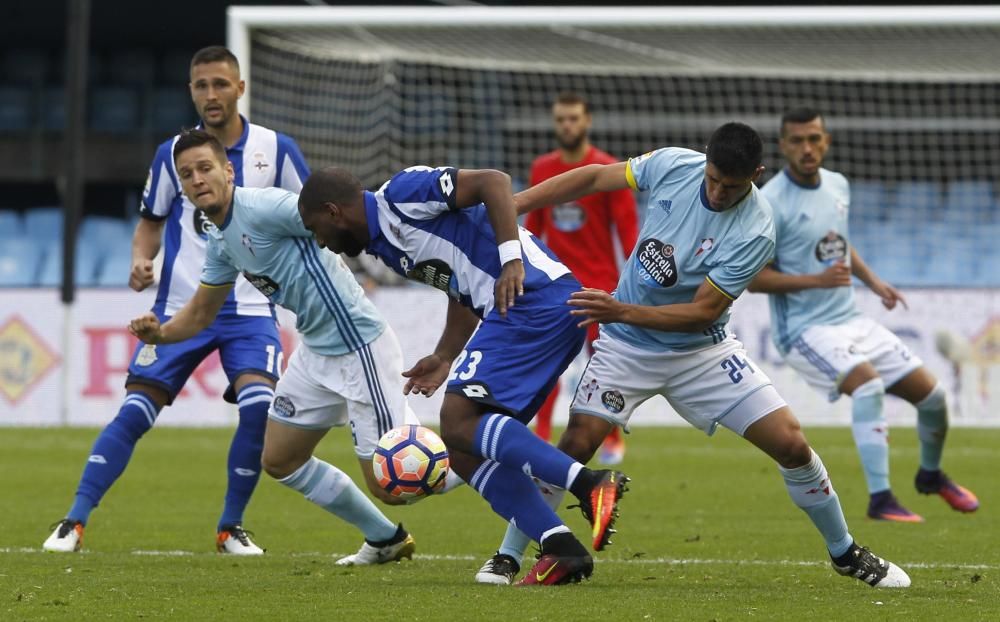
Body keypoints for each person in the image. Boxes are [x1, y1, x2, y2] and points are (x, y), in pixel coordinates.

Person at [476, 122, 910, 588]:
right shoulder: (673, 164)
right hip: (626, 347)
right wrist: (516, 204)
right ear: (704, 160)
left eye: (733, 185)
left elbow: (701, 312)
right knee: (575, 445)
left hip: (701, 352)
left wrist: (620, 309)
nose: (720, 192)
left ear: (756, 175)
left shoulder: (757, 230)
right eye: (714, 179)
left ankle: (844, 552)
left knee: (791, 444)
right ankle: (507, 556)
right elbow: (594, 178)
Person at [297, 165, 630, 586]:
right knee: (464, 448)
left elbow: (495, 182)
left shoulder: (401, 193)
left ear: (332, 212)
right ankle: (560, 546)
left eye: (316, 229)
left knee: (457, 420)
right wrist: (444, 354)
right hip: (527, 309)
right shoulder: (384, 245)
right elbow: (462, 287)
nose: (321, 241)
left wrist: (511, 260)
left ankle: (590, 484)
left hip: (534, 301)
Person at [127, 129, 444, 565]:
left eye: (204, 168)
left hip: (358, 345)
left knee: (393, 482)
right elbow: (200, 314)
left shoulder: (266, 207)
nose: (196, 179)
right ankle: (385, 538)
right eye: (186, 174)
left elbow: (344, 217)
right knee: (279, 459)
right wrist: (158, 334)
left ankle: (498, 454)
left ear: (228, 170)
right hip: (316, 353)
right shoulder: (221, 240)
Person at [44, 46, 309, 555]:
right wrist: (140, 261)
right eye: (201, 85)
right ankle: (73, 521)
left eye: (220, 84)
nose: (211, 94)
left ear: (240, 88)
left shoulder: (275, 151)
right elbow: (150, 222)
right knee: (135, 411)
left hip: (252, 308)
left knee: (258, 408)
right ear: (191, 91)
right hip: (180, 308)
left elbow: (312, 216)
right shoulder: (173, 154)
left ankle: (230, 527)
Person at [747, 107, 978, 522]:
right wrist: (816, 281)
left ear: (827, 141)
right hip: (803, 329)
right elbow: (754, 279)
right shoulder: (770, 203)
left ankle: (930, 475)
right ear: (783, 146)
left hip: (850, 318)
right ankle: (881, 499)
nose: (807, 148)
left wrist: (873, 281)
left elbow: (840, 241)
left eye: (814, 138)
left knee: (934, 397)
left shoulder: (838, 184)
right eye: (797, 140)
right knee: (869, 387)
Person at [524, 92, 638, 465]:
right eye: (561, 119)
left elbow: (628, 232)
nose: (567, 126)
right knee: (545, 363)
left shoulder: (607, 169)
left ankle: (613, 436)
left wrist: (633, 285)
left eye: (573, 118)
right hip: (555, 284)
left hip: (599, 284)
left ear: (587, 121)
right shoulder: (542, 168)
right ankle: (540, 436)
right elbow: (535, 229)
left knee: (602, 363)